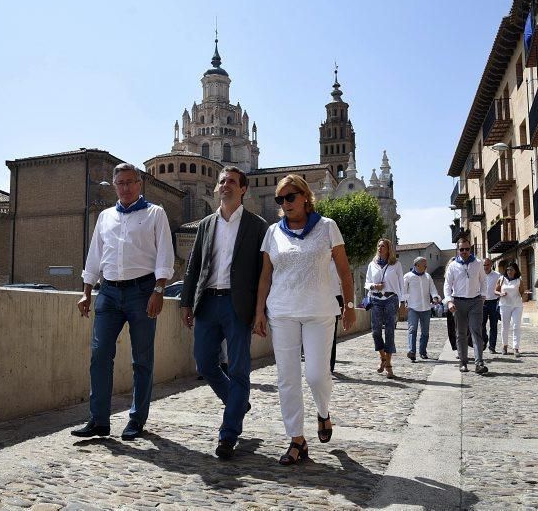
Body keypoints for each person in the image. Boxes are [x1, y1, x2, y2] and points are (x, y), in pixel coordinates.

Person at [253, 174, 355, 466]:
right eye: (280, 199)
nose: (285, 204)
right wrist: (259, 311)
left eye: (290, 197)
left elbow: (345, 272)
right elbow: (265, 276)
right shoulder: (272, 232)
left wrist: (348, 305)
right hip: (282, 312)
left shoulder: (327, 228)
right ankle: (296, 439)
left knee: (315, 375)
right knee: (287, 378)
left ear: (305, 197)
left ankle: (323, 411)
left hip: (319, 311)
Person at [72, 163, 174, 440]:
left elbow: (165, 253)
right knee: (99, 355)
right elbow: (95, 255)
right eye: (120, 183)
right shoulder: (105, 216)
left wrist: (159, 290)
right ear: (114, 185)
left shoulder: (155, 213)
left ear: (140, 184)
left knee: (142, 359)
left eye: (130, 182)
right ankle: (99, 421)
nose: (125, 188)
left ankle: (136, 420)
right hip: (108, 293)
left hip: (142, 292)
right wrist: (86, 291)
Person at [180, 166, 268, 460]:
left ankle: (228, 435)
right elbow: (194, 265)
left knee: (239, 369)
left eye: (231, 181)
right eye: (222, 182)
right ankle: (237, 403)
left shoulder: (258, 226)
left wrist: (260, 311)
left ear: (243, 189)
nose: (225, 185)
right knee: (204, 364)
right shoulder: (206, 224)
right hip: (207, 302)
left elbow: (263, 273)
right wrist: (186, 302)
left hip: (238, 305)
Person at [443, 238, 488, 374]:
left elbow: (483, 280)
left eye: (467, 249)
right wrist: (449, 301)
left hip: (475, 301)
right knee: (461, 333)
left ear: (470, 249)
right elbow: (447, 284)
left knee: (476, 331)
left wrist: (483, 296)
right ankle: (463, 362)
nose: (464, 252)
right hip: (458, 302)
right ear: (458, 250)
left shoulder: (478, 263)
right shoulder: (453, 266)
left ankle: (479, 363)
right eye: (461, 249)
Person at [364, 238, 404, 377]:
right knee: (375, 331)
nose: (380, 248)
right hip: (375, 299)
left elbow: (401, 284)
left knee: (389, 332)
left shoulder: (396, 265)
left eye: (383, 246)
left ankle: (388, 365)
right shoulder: (372, 264)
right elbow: (367, 283)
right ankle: (383, 357)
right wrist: (374, 286)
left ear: (388, 249)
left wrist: (403, 302)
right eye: (378, 246)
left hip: (391, 299)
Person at [402, 256, 439, 361]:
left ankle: (422, 352)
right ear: (417, 265)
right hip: (413, 308)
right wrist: (404, 304)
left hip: (426, 308)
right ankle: (411, 351)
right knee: (412, 330)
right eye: (424, 265)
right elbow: (404, 292)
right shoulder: (408, 276)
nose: (426, 266)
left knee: (425, 332)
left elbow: (433, 289)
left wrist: (435, 297)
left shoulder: (428, 276)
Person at [495, 262, 528, 358]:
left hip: (517, 305)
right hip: (505, 305)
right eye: (508, 269)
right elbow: (495, 290)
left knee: (516, 326)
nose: (509, 271)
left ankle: (516, 348)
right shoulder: (501, 279)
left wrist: (525, 294)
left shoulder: (519, 280)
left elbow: (522, 292)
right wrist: (500, 294)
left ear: (515, 271)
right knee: (505, 326)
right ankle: (504, 346)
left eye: (511, 269)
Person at [481, 258, 501, 354]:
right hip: (482, 303)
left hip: (494, 303)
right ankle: (484, 340)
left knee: (494, 325)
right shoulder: (479, 275)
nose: (486, 267)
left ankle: (492, 347)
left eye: (487, 265)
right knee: (481, 325)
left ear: (491, 265)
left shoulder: (497, 275)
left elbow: (501, 288)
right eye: (484, 265)